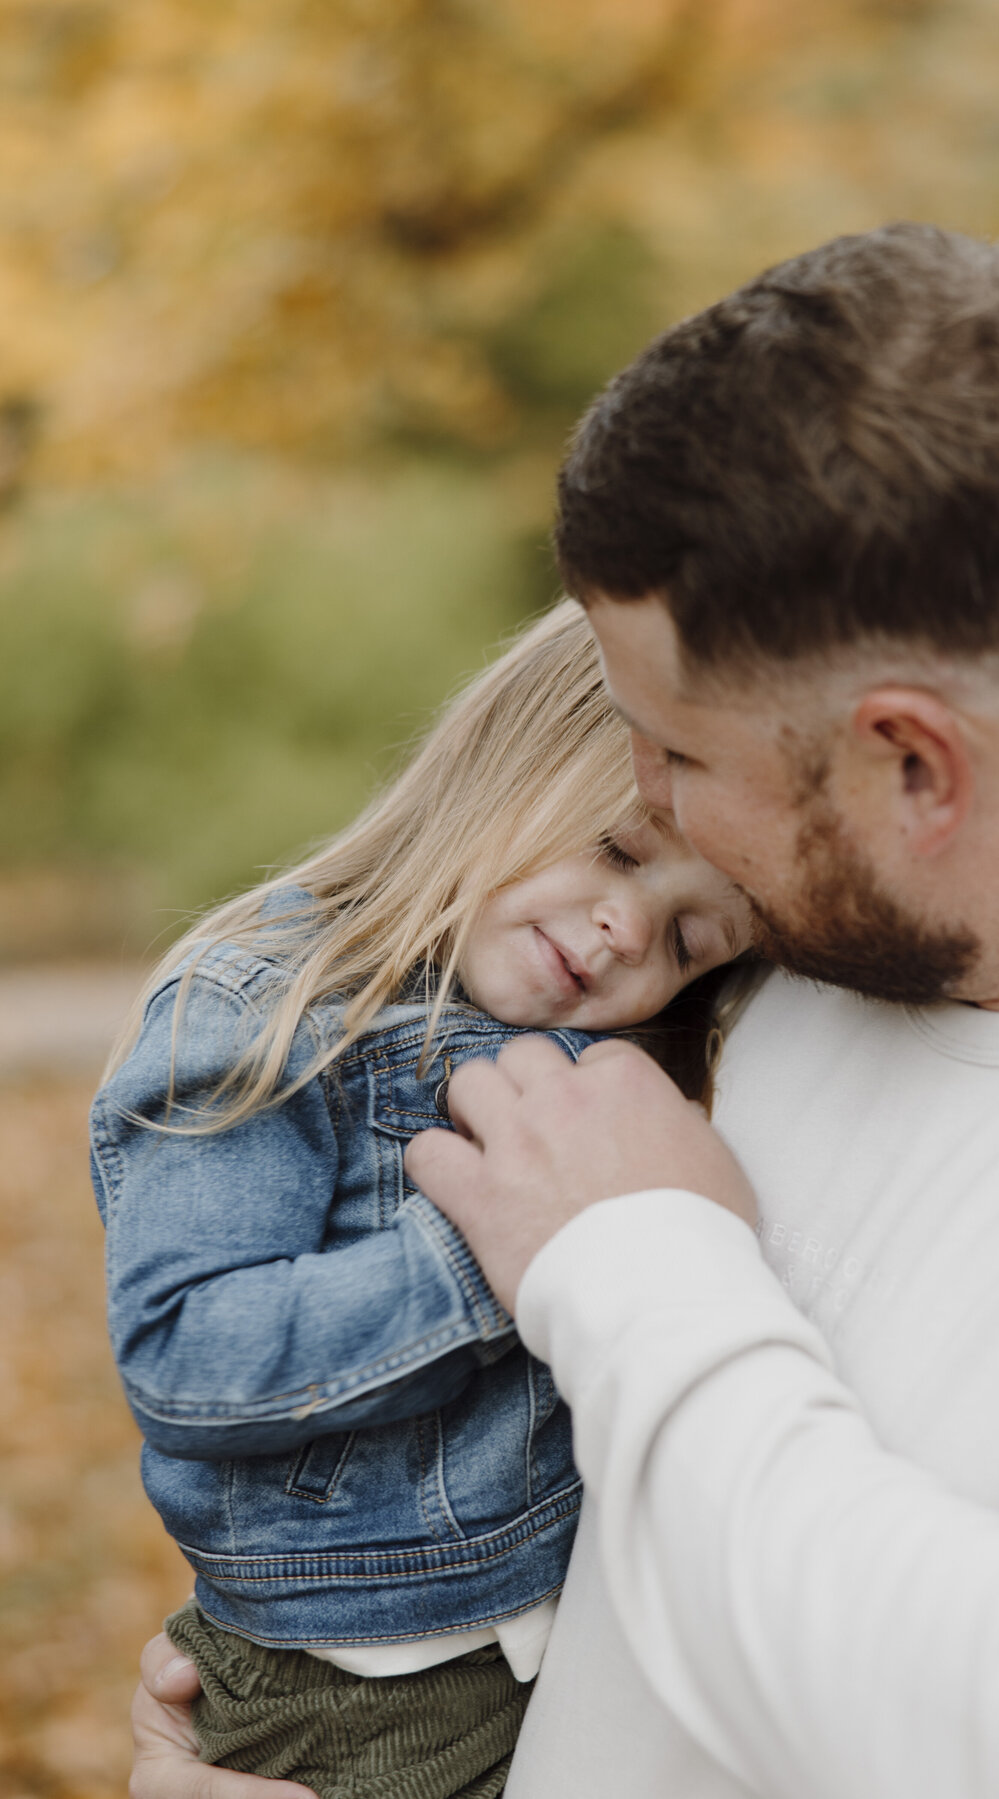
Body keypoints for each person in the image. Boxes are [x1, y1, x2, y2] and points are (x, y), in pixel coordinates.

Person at [131, 219, 999, 1799]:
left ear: (912, 762)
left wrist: (630, 1259)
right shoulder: (806, 961)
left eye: (676, 754)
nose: (643, 802)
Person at [94, 600, 752, 1799]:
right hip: (364, 1687)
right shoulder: (266, 1002)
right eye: (617, 851)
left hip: (533, 1638)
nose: (628, 929)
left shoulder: (578, 1052)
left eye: (690, 938)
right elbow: (188, 1355)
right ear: (508, 758)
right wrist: (493, 1251)